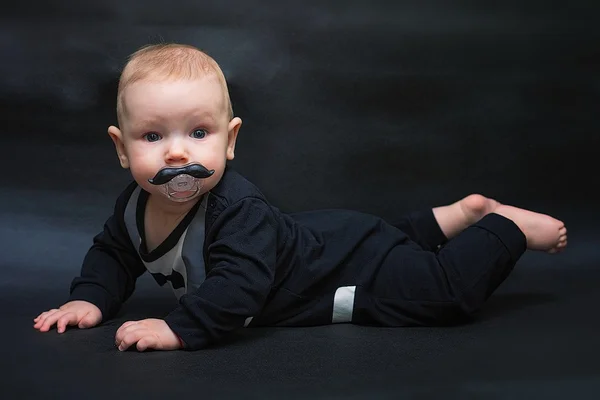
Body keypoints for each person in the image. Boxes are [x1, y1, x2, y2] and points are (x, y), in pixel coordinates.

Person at [33, 43, 568, 352]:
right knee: (376, 236)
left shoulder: (236, 212)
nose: (177, 153)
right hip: (329, 238)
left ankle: (506, 228)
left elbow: (239, 288)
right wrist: (92, 298)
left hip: (344, 275)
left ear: (230, 139)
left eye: (198, 133)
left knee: (440, 293)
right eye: (153, 137)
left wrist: (179, 326)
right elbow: (113, 254)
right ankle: (453, 217)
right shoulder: (132, 209)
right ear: (121, 148)